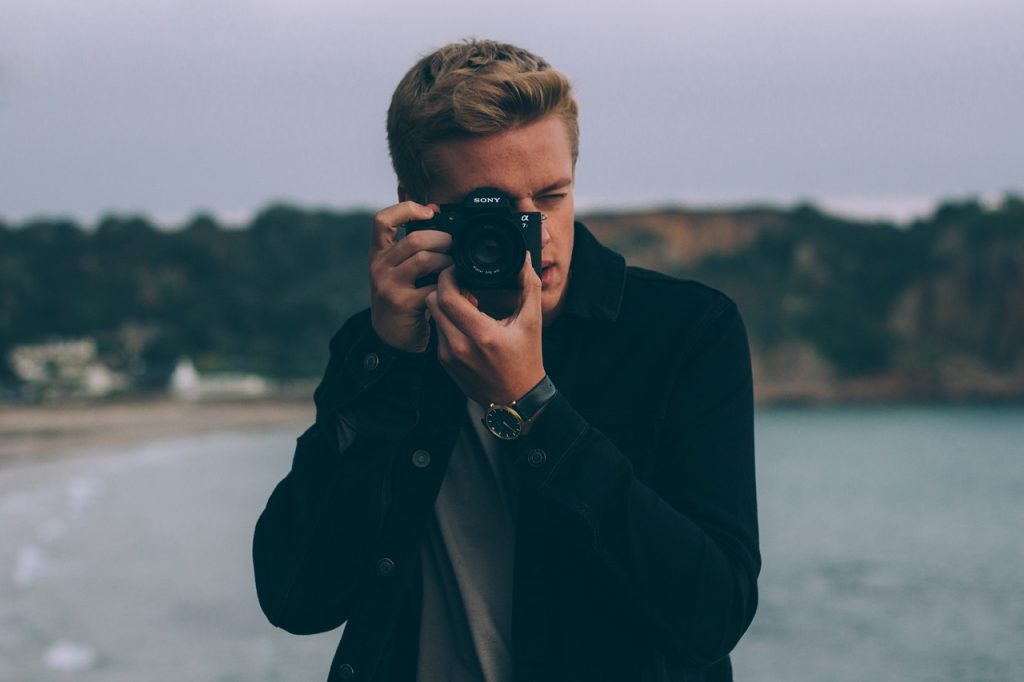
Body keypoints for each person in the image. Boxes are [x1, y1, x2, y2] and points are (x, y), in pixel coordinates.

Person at [253, 39, 759, 682]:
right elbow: (297, 598)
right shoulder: (380, 344)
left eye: (550, 196)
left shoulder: (685, 331)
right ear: (417, 204)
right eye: (495, 210)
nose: (537, 235)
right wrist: (385, 361)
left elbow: (713, 616)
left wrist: (530, 406)